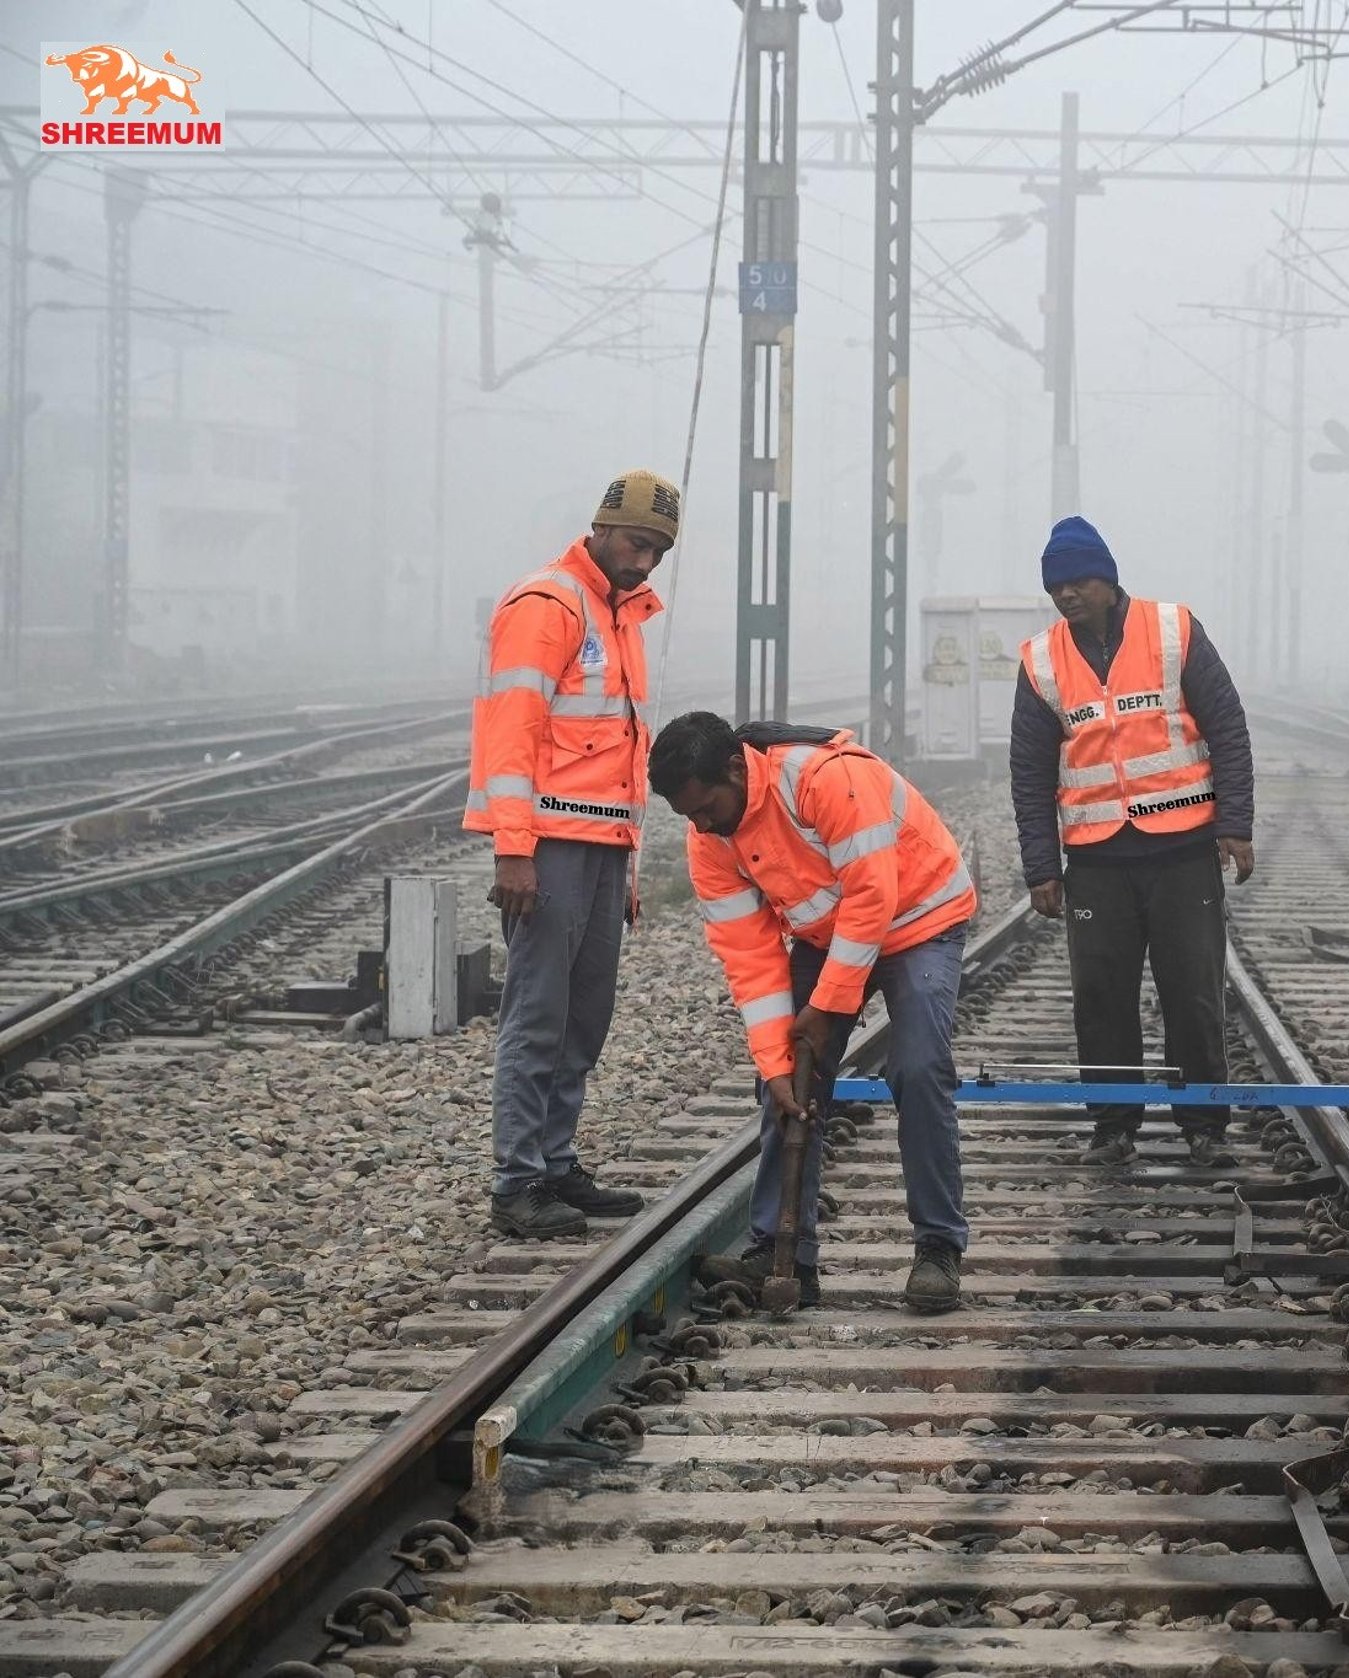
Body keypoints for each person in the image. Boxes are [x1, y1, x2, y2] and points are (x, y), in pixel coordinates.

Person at [650, 712, 976, 1312]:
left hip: (920, 919)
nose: (700, 825)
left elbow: (873, 894)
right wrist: (776, 1062)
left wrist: (827, 1006)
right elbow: (750, 957)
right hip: (829, 935)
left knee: (919, 1066)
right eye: (688, 816)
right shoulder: (710, 839)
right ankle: (782, 1253)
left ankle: (938, 1247)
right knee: (788, 1084)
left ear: (733, 768)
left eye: (706, 808)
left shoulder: (823, 778)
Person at [464, 469, 680, 1238]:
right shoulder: (548, 605)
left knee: (585, 1015)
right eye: (635, 542)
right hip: (548, 846)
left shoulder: (620, 616)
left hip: (598, 848)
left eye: (658, 550)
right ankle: (517, 1179)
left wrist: (626, 859)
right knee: (538, 1014)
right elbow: (510, 732)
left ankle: (555, 1164)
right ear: (600, 526)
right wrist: (512, 848)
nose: (645, 562)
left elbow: (618, 752)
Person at [1009, 515, 1255, 1169]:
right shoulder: (1041, 662)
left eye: (1078, 580)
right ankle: (1113, 1127)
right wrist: (1042, 866)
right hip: (1096, 861)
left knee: (1194, 995)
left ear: (1109, 579)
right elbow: (1029, 772)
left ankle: (1205, 1127)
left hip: (1181, 852)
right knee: (1101, 999)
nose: (1066, 594)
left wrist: (1235, 825)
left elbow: (1227, 727)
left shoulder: (1174, 630)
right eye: (1055, 585)